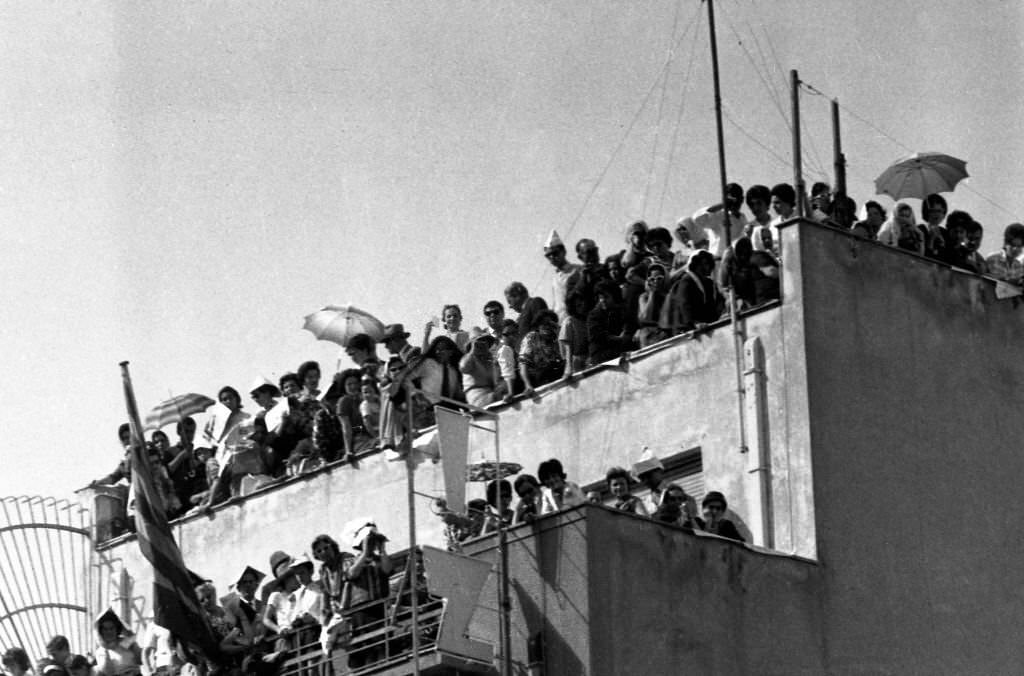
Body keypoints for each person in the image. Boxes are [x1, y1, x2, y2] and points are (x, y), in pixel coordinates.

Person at [661, 250, 723, 334]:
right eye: (704, 263)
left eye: (708, 263)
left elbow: (718, 302)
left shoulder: (709, 283)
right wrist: (694, 323)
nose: (708, 266)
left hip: (706, 327)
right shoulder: (686, 280)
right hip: (686, 330)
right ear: (696, 264)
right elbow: (684, 304)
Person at [519, 310, 565, 394]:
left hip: (556, 375)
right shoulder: (532, 337)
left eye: (550, 324)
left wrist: (560, 333)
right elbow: (523, 363)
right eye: (544, 324)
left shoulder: (556, 338)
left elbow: (565, 356)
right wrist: (527, 385)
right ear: (538, 326)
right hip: (538, 377)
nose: (547, 327)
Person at [586, 280, 631, 366]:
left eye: (606, 297)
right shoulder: (594, 315)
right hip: (601, 354)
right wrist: (617, 338)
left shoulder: (621, 310)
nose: (602, 300)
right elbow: (598, 336)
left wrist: (625, 334)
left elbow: (628, 326)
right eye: (600, 298)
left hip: (620, 349)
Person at [335, 368, 374, 460]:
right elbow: (346, 428)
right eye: (349, 384)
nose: (353, 386)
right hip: (359, 438)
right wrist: (348, 451)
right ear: (343, 387)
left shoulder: (365, 397)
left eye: (356, 383)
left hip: (375, 433)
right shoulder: (344, 401)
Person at [565, 238, 609, 315]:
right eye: (588, 252)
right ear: (580, 257)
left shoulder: (607, 269)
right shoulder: (574, 278)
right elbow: (570, 304)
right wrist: (583, 280)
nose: (593, 255)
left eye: (595, 250)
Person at [543, 229, 580, 320]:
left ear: (563, 252)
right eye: (548, 255)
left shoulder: (577, 270)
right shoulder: (555, 277)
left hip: (574, 319)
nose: (552, 257)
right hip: (560, 320)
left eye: (555, 253)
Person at [93, 608, 143, 676]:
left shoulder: (127, 642)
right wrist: (106, 650)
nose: (109, 632)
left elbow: (141, 660)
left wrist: (134, 646)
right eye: (105, 629)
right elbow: (107, 672)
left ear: (117, 628)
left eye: (111, 628)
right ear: (101, 631)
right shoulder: (100, 652)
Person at [423, 335, 466, 406]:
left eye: (442, 349)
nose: (438, 352)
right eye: (436, 349)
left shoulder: (454, 372)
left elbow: (458, 395)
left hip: (445, 411)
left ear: (451, 352)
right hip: (427, 409)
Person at [460, 332, 500, 407]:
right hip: (477, 397)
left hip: (491, 393)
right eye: (479, 343)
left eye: (486, 343)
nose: (482, 345)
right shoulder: (469, 359)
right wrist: (472, 351)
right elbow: (463, 368)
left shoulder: (490, 362)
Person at [635, 263, 669, 347]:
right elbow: (646, 317)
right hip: (648, 336)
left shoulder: (668, 297)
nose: (656, 282)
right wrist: (651, 294)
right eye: (652, 279)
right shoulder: (643, 297)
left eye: (659, 278)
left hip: (664, 335)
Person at [558, 292, 590, 376]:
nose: (582, 307)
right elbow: (568, 348)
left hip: (589, 360)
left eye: (583, 304)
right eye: (579, 306)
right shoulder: (569, 322)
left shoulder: (588, 319)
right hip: (576, 363)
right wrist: (569, 367)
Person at [631, 449, 668, 514]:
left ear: (659, 471)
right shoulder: (647, 501)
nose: (646, 480)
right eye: (642, 478)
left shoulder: (673, 492)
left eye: (648, 475)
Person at [918, 193, 949, 262]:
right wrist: (931, 240)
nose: (937, 214)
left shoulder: (945, 233)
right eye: (933, 211)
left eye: (939, 211)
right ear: (926, 212)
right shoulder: (919, 230)